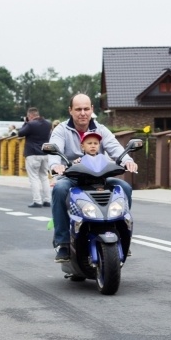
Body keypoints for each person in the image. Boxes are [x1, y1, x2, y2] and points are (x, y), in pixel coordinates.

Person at [48, 93, 138, 262]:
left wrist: (127, 161)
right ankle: (63, 243)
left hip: (99, 177)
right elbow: (54, 151)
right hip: (73, 178)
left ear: (92, 110)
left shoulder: (101, 130)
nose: (83, 113)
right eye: (78, 109)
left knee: (124, 188)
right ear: (70, 111)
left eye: (86, 109)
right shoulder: (61, 130)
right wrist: (55, 165)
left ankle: (121, 234)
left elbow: (116, 148)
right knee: (59, 189)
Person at [17, 107, 52, 209]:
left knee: (34, 178)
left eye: (28, 116)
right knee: (44, 177)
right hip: (45, 153)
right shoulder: (48, 123)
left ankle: (37, 201)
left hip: (33, 153)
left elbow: (20, 133)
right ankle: (47, 200)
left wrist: (25, 122)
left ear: (30, 116)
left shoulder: (31, 124)